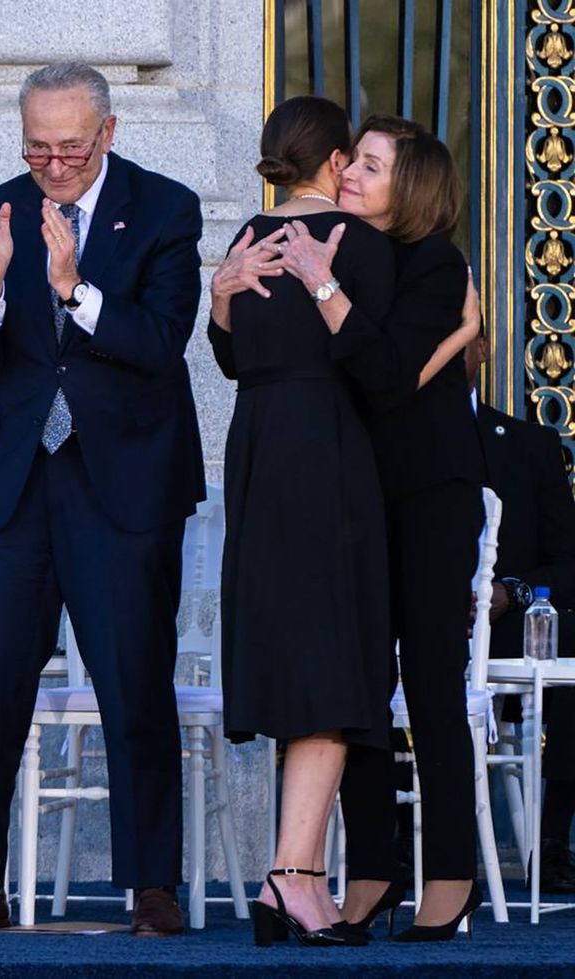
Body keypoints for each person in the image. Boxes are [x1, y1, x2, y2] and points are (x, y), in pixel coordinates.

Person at [0, 62, 204, 936]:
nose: (54, 163)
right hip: (17, 482)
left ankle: (152, 884)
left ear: (107, 132)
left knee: (134, 682)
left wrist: (75, 287)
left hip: (121, 480)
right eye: (37, 147)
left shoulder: (164, 208)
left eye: (70, 147)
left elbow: (159, 343)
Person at [278, 114, 487, 941]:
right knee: (358, 686)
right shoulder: (347, 250)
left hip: (430, 494)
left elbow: (389, 375)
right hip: (353, 493)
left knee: (431, 683)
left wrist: (326, 290)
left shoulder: (435, 262)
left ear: (415, 186)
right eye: (350, 160)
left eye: (369, 164)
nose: (350, 173)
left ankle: (452, 872)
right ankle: (371, 869)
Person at [208, 95, 397, 948]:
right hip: (327, 447)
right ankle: (291, 878)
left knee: (300, 658)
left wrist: (221, 301)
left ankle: (303, 880)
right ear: (328, 162)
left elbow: (233, 356)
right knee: (330, 660)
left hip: (258, 450)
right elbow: (377, 360)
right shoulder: (357, 244)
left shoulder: (245, 241)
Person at [466, 330, 575, 892]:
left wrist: (512, 591)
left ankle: (552, 843)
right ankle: (393, 841)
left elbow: (568, 562)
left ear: (481, 348)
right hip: (411, 632)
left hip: (507, 629)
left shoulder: (530, 444)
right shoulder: (385, 438)